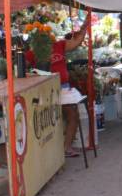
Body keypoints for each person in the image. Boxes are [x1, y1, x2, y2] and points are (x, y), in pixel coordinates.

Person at [26, 15, 91, 157]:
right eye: (42, 34)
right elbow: (23, 68)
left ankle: (66, 147)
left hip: (64, 87)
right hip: (45, 90)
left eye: (47, 33)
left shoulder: (59, 45)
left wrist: (84, 28)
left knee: (73, 115)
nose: (45, 36)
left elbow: (76, 42)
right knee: (49, 120)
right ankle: (52, 152)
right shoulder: (33, 52)